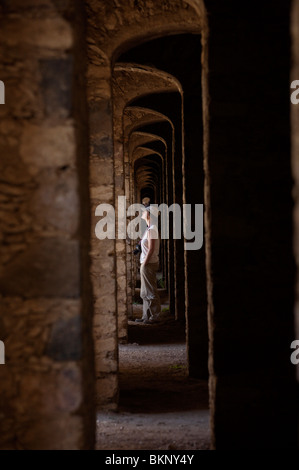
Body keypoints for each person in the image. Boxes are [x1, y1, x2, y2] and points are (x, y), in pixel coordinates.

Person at [135, 205, 161, 324]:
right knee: (144, 292)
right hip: (146, 262)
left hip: (149, 263)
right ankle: (146, 316)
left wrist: (144, 264)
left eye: (144, 211)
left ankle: (155, 316)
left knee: (150, 291)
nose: (143, 213)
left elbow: (151, 249)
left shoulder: (152, 229)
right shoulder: (149, 228)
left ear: (149, 215)